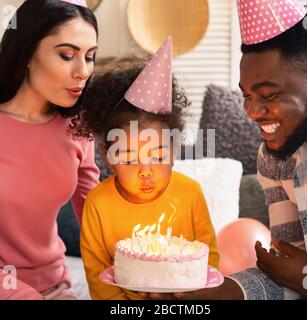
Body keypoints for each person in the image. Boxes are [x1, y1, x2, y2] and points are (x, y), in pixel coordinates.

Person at [146, 1, 307, 300]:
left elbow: (305, 280)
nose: (252, 112)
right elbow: (289, 271)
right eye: (247, 95)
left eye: (268, 94)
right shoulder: (275, 159)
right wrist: (220, 292)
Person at [0, 0, 100, 300]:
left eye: (90, 57)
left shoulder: (78, 125)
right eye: (67, 55)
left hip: (52, 288)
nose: (83, 71)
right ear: (26, 52)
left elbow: (97, 215)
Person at [76, 38, 220, 300]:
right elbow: (97, 272)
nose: (146, 170)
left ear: (174, 153)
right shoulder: (98, 203)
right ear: (109, 159)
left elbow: (209, 257)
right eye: (130, 159)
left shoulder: (190, 193)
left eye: (158, 156)